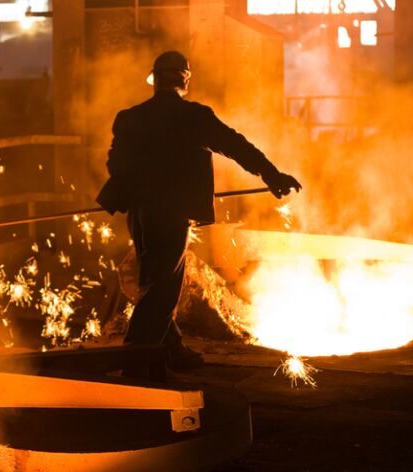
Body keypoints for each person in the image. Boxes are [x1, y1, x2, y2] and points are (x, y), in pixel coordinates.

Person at [97, 50, 301, 370]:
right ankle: (136, 360)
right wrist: (271, 174)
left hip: (139, 215)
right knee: (162, 290)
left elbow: (116, 164)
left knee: (155, 280)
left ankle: (171, 348)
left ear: (155, 80)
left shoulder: (130, 118)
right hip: (172, 215)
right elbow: (237, 146)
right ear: (185, 79)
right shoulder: (194, 117)